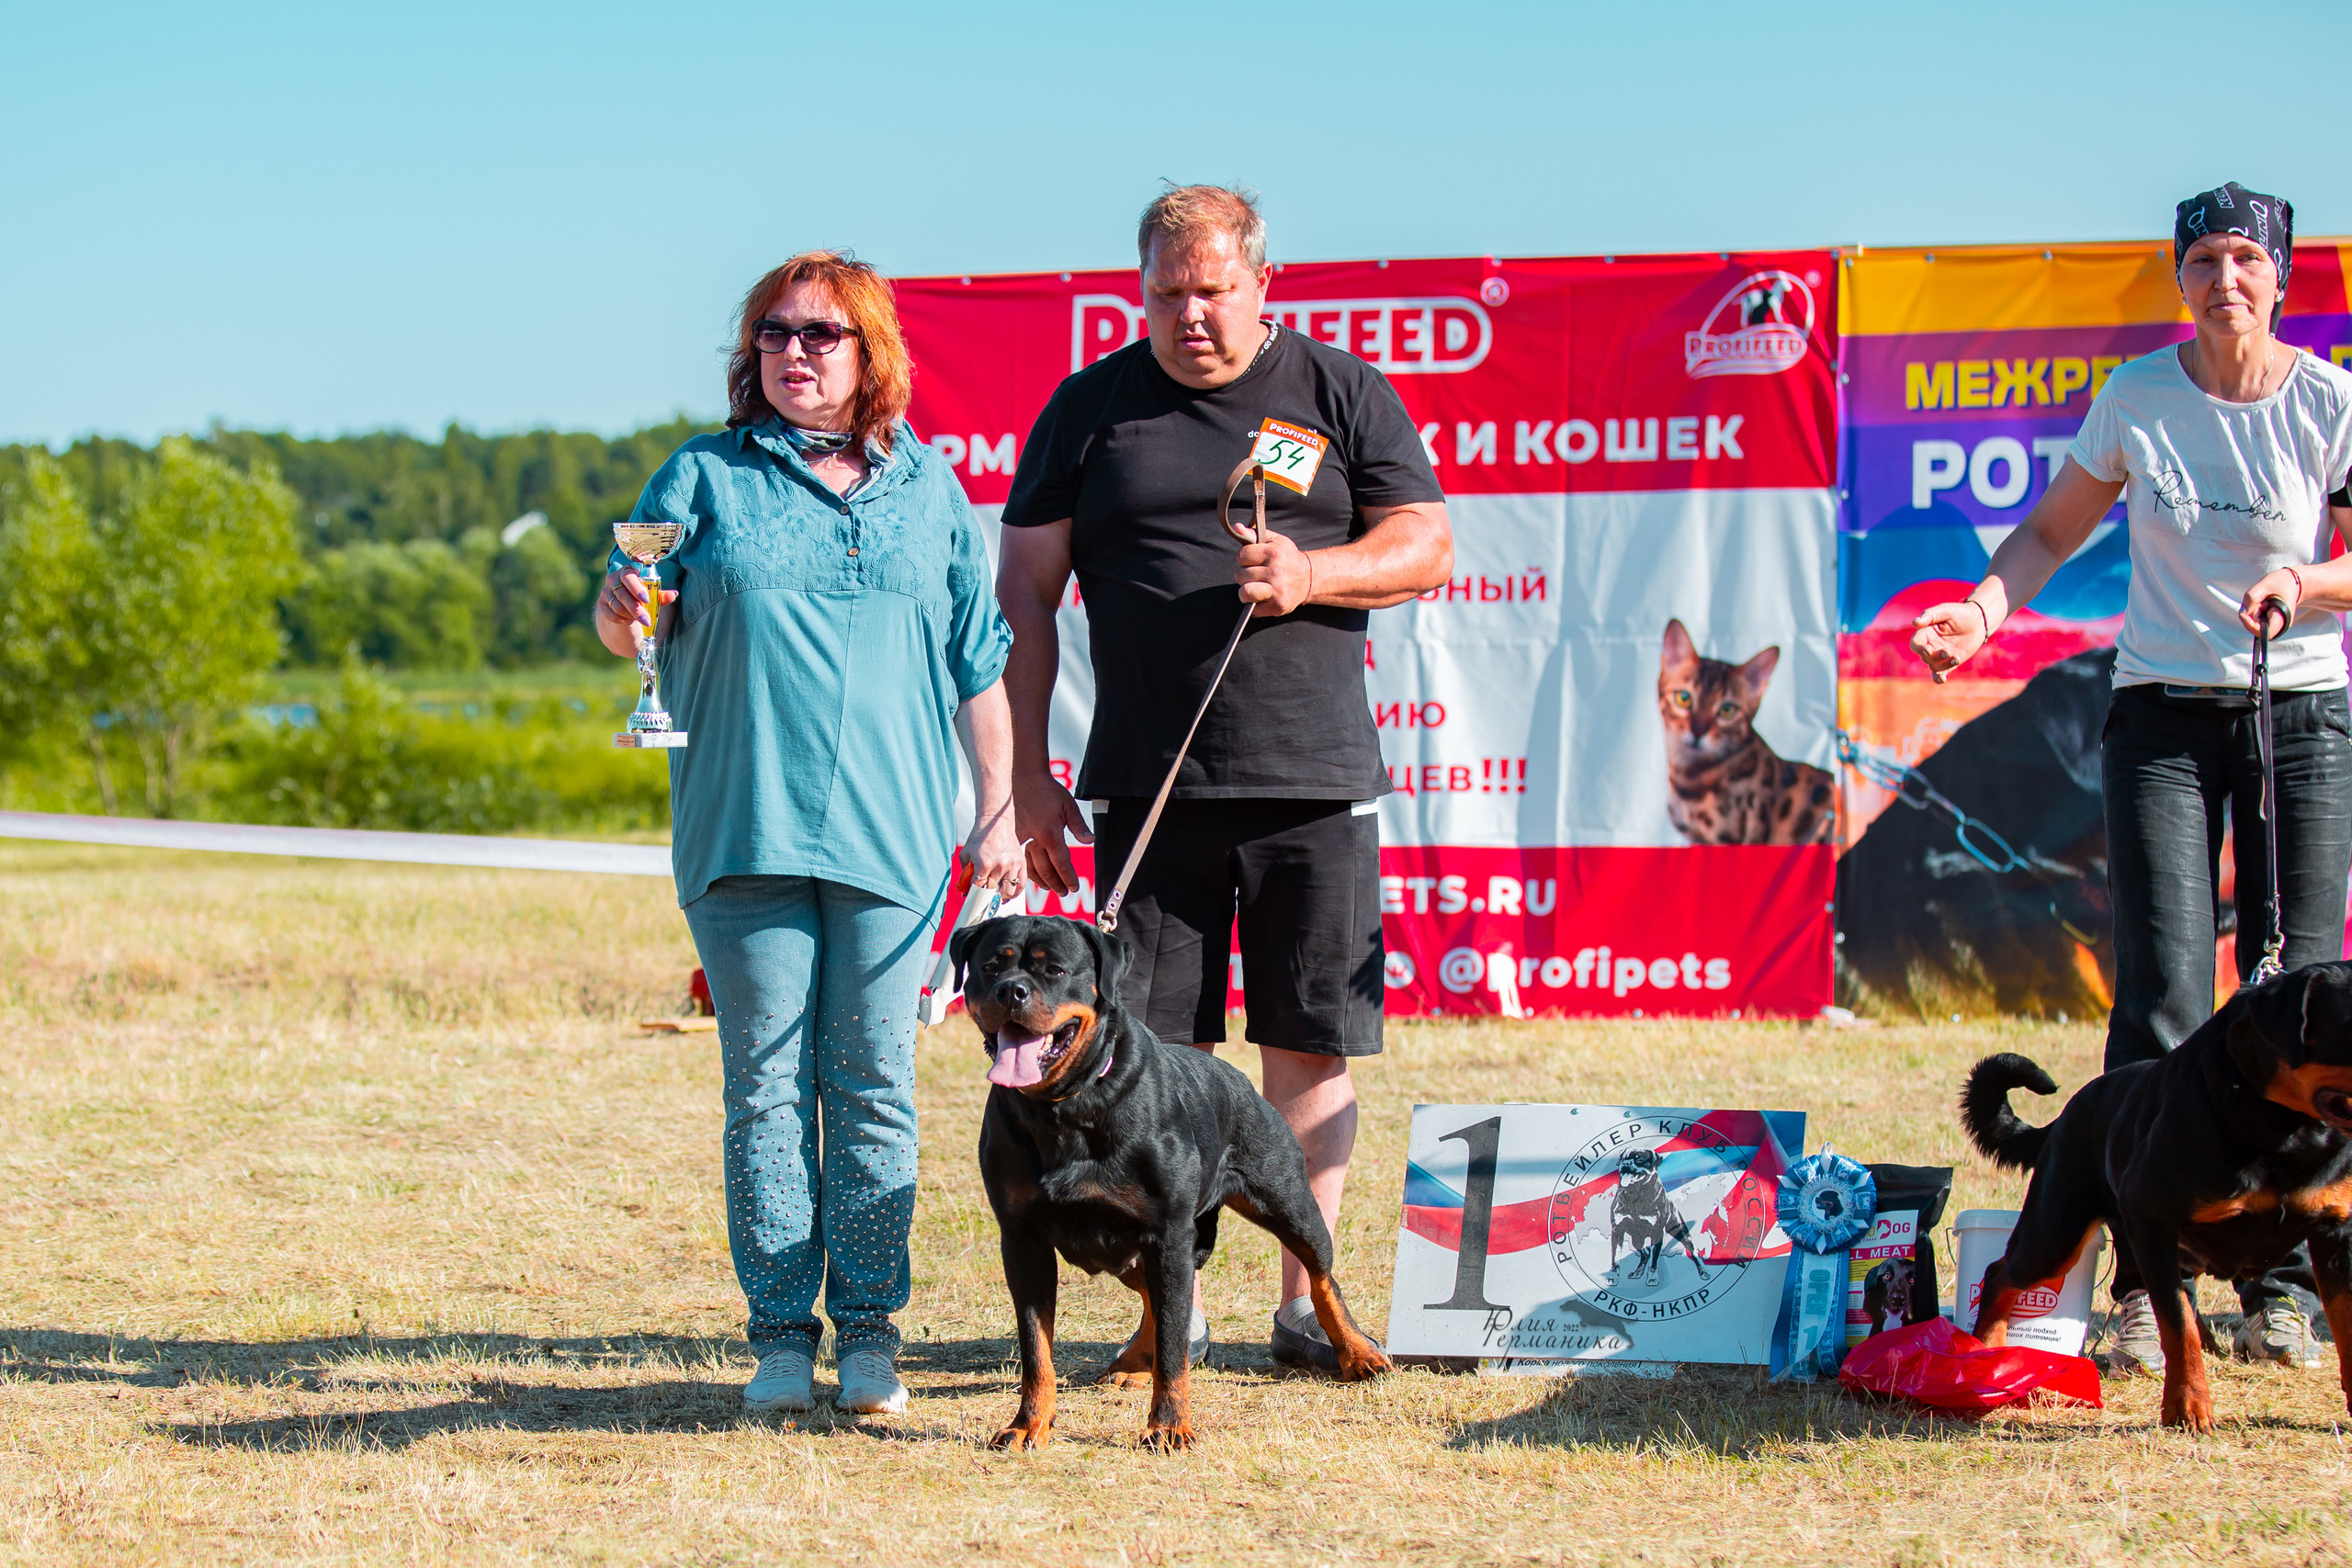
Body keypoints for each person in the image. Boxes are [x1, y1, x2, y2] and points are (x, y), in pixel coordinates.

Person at [996, 185, 1453, 1369]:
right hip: (1145, 795)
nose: (1188, 315)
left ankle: (1307, 1309)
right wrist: (1031, 774)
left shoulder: (1341, 390)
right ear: (1136, 288)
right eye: (1165, 293)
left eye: (1211, 291)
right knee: (1149, 1058)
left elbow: (1426, 545)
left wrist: (1315, 575)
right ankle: (1171, 1309)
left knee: (1306, 1046)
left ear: (1262, 283)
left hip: (1311, 783)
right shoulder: (1088, 408)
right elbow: (1025, 599)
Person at [1912, 182, 2352, 1376]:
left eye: (2246, 262)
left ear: (2281, 276)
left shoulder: (2330, 402)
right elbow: (2051, 531)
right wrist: (1983, 608)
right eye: (2203, 259)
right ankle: (2137, 1277)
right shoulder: (2137, 396)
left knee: (2303, 990)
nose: (2225, 280)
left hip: (2298, 713)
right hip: (2158, 712)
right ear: (2179, 276)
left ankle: (2287, 1285)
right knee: (2157, 986)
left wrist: (2306, 586)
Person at [595, 252, 1023, 1416]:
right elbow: (625, 615)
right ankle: (782, 1337)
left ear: (870, 352)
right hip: (742, 829)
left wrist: (999, 815)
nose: (795, 350)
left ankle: (872, 1338)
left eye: (822, 334)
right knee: (769, 1093)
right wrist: (624, 606)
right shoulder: (701, 475)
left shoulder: (930, 490)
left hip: (892, 843)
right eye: (776, 332)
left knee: (877, 1085)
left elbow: (976, 666)